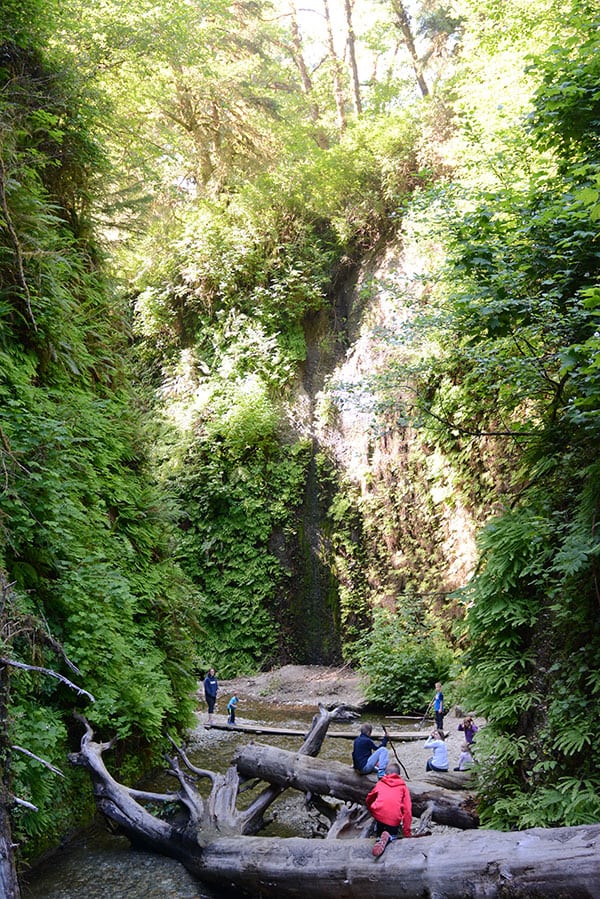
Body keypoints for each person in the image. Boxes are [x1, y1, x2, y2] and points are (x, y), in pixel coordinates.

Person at [365, 762, 412, 857]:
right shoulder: (403, 787)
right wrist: (407, 832)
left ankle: (379, 837)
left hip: (379, 817)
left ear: (385, 774)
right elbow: (407, 810)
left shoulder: (380, 783)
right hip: (393, 820)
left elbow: (369, 798)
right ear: (399, 775)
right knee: (394, 832)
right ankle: (390, 837)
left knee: (379, 824)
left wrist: (371, 809)